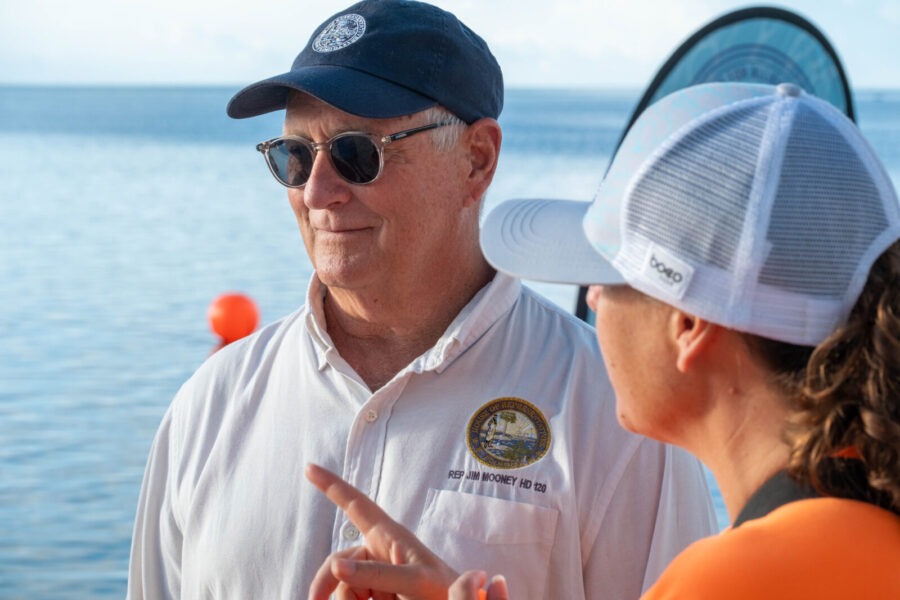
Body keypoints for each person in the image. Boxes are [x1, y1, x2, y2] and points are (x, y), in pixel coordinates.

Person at [126, 1, 718, 599]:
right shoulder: (211, 404)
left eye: (358, 154)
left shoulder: (613, 413)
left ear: (476, 161)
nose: (317, 192)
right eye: (294, 157)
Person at [305, 81, 900, 599]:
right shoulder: (872, 530)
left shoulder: (734, 580)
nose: (590, 300)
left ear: (689, 326)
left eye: (606, 277)